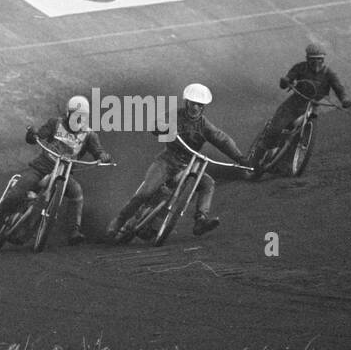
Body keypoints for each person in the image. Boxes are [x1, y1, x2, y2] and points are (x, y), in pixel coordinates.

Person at [105, 83, 247, 239]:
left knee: (208, 183)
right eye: (193, 103)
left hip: (189, 165)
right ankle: (119, 220)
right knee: (145, 192)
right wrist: (162, 127)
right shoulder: (174, 115)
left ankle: (201, 219)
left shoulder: (204, 125)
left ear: (203, 107)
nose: (195, 108)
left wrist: (240, 158)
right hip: (167, 162)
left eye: (199, 105)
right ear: (186, 102)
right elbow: (157, 124)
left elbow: (222, 140)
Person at [0, 95, 112, 247]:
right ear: (68, 113)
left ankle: (74, 231)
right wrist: (33, 135)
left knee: (76, 192)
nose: (79, 119)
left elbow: (98, 151)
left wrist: (103, 156)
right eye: (76, 115)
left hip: (64, 173)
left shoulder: (89, 135)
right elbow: (39, 135)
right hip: (41, 168)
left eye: (83, 116)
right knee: (16, 193)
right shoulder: (55, 123)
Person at [247, 43, 351, 170]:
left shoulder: (329, 73)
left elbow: (339, 88)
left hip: (311, 106)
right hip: (293, 104)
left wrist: (344, 99)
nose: (316, 62)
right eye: (313, 59)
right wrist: (286, 81)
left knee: (299, 136)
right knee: (276, 129)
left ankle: (283, 164)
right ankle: (253, 161)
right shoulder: (300, 68)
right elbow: (287, 80)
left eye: (319, 59)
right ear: (308, 58)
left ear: (323, 59)